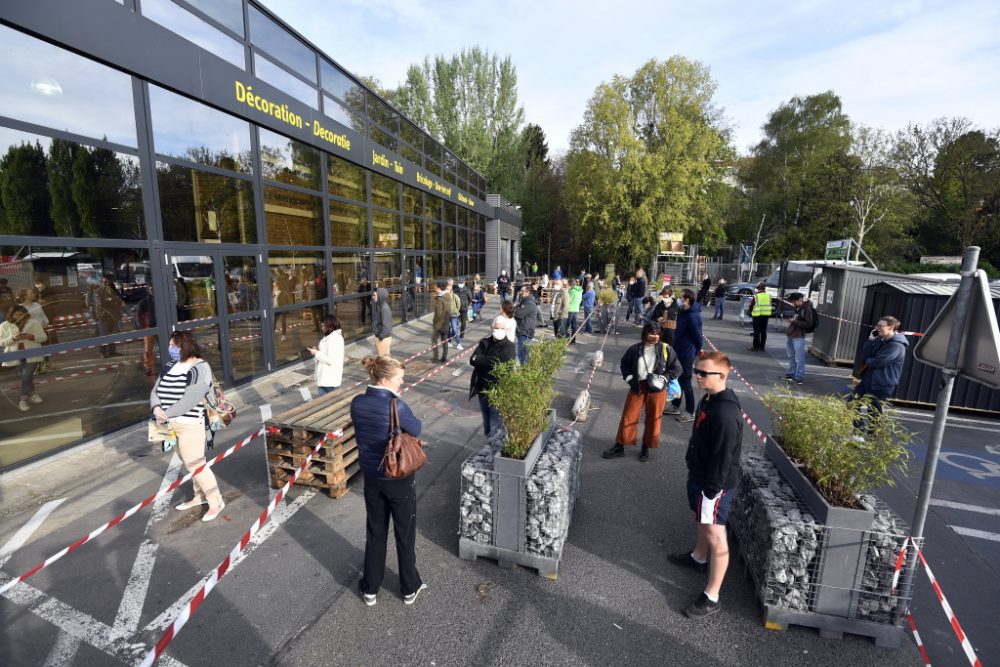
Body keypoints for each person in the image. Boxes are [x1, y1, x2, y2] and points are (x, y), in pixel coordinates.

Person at [668, 351, 743, 619]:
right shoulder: (710, 398)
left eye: (703, 373)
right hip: (701, 477)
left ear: (722, 375)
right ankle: (698, 558)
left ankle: (712, 596)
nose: (697, 376)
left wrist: (712, 491)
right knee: (702, 521)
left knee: (716, 535)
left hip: (714, 485)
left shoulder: (725, 413)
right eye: (696, 371)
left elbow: (724, 456)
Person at [350, 355, 427, 607]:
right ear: (384, 379)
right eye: (398, 380)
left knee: (375, 531)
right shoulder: (397, 405)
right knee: (405, 533)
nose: (401, 384)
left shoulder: (357, 403)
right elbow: (416, 428)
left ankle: (370, 588)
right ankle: (409, 587)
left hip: (372, 476)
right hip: (398, 478)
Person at [151, 331, 225, 522]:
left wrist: (166, 412)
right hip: (168, 424)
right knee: (189, 462)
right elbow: (155, 390)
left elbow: (192, 397)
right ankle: (199, 496)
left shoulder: (201, 367)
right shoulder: (169, 366)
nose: (170, 349)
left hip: (191, 424)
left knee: (196, 463)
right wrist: (156, 407)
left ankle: (215, 501)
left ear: (184, 345)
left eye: (173, 346)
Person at [603, 323, 682, 462]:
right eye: (652, 333)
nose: (654, 337)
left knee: (654, 418)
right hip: (638, 385)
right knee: (629, 415)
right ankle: (620, 446)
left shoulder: (666, 349)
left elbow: (677, 369)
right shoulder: (635, 349)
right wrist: (630, 379)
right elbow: (624, 364)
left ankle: (646, 446)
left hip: (657, 388)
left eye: (657, 334)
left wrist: (664, 378)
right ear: (645, 333)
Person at [853, 316, 908, 423]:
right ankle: (857, 432)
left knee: (874, 412)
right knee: (852, 403)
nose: (877, 328)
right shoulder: (880, 340)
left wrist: (869, 360)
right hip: (867, 380)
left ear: (890, 327)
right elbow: (866, 354)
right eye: (877, 325)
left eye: (880, 326)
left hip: (881, 384)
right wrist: (870, 340)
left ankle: (871, 437)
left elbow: (878, 362)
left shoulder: (896, 346)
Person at [469, 316, 516, 436]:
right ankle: (488, 441)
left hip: (497, 391)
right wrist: (490, 361)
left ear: (506, 330)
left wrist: (482, 360)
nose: (499, 330)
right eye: (496, 328)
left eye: (502, 328)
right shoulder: (484, 342)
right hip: (482, 389)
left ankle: (493, 444)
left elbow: (502, 362)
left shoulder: (509, 347)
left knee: (496, 422)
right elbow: (473, 359)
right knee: (486, 421)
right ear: (492, 328)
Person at [0, 305, 47, 412]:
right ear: (11, 315)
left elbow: (43, 337)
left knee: (26, 376)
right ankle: (33, 394)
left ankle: (22, 400)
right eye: (16, 314)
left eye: (22, 314)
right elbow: (1, 342)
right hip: (15, 355)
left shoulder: (34, 322)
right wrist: (12, 338)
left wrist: (31, 337)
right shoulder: (4, 326)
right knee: (27, 377)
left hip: (32, 353)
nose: (19, 317)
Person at [667, 289, 703, 422]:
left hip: (687, 353)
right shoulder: (683, 312)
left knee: (686, 381)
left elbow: (697, 337)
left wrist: (696, 351)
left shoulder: (692, 316)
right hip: (679, 350)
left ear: (687, 300)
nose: (678, 299)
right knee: (677, 379)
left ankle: (690, 411)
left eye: (681, 297)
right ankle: (675, 405)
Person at [88, 273, 125, 357]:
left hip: (113, 316)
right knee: (103, 335)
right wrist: (112, 301)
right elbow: (100, 303)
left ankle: (112, 352)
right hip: (103, 316)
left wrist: (110, 300)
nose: (108, 282)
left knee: (113, 335)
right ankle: (103, 353)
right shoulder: (98, 291)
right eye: (106, 280)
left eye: (109, 281)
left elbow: (118, 300)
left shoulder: (112, 291)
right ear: (103, 281)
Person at [782, 292, 815, 385]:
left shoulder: (806, 309)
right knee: (791, 356)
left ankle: (799, 377)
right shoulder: (798, 308)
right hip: (792, 334)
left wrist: (794, 321)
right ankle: (791, 373)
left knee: (799, 358)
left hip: (799, 336)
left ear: (798, 300)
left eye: (793, 301)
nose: (792, 303)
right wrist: (792, 321)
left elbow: (808, 323)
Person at [308, 315, 344, 395]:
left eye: (323, 326)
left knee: (329, 403)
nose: (322, 328)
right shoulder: (330, 336)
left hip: (329, 379)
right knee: (325, 404)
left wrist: (316, 353)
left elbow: (330, 360)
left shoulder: (334, 339)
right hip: (325, 378)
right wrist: (318, 349)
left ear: (329, 326)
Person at [514, 285, 537, 364]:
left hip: (525, 331)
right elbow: (515, 309)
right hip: (522, 330)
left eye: (522, 291)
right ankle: (524, 369)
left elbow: (518, 314)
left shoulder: (529, 302)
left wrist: (516, 309)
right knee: (522, 353)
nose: (520, 293)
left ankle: (524, 371)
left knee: (523, 354)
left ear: (527, 292)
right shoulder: (524, 301)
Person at [137, 287, 157, 376]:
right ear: (149, 290)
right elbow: (139, 316)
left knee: (169, 346)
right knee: (148, 350)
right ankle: (148, 367)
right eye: (151, 289)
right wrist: (141, 327)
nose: (153, 291)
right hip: (149, 328)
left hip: (161, 326)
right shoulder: (144, 303)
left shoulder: (162, 300)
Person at [748, 282, 772, 351]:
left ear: (758, 288)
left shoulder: (756, 296)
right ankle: (762, 346)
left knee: (757, 331)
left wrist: (750, 311)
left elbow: (752, 304)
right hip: (766, 315)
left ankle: (756, 347)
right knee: (763, 331)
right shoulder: (769, 295)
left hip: (757, 315)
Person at [431, 281, 451, 363]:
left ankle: (435, 357)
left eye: (436, 287)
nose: (435, 288)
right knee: (444, 339)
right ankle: (444, 356)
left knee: (434, 339)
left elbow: (438, 313)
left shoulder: (440, 298)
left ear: (439, 288)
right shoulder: (448, 296)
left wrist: (434, 321)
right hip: (446, 323)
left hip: (439, 324)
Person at [371, 287, 393, 356]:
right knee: (383, 362)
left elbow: (387, 326)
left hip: (383, 340)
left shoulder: (384, 308)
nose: (373, 297)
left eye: (374, 295)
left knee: (384, 362)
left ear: (380, 296)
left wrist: (381, 337)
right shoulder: (381, 307)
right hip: (381, 338)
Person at [446, 279, 463, 351]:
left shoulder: (454, 296)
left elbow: (458, 304)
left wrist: (456, 311)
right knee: (447, 330)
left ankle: (458, 344)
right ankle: (449, 342)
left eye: (448, 289)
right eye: (446, 289)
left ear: (451, 290)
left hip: (453, 315)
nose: (447, 290)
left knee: (454, 329)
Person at [566, 279, 583, 344]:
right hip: (576, 309)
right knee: (574, 326)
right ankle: (573, 340)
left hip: (570, 309)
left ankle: (566, 339)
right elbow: (581, 300)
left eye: (568, 285)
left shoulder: (572, 291)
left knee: (567, 325)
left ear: (570, 284)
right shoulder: (580, 290)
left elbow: (568, 300)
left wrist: (568, 292)